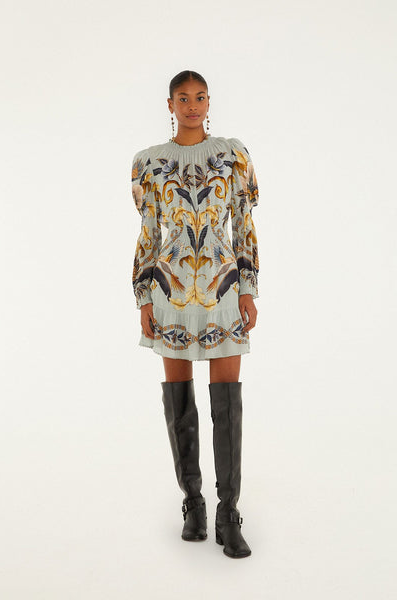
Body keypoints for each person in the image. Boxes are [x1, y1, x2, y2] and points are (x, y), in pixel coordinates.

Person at [131, 70, 259, 558]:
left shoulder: (232, 155)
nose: (192, 105)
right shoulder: (149, 162)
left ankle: (229, 513)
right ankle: (194, 503)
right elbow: (149, 232)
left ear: (209, 102)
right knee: (178, 397)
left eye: (200, 97)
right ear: (170, 104)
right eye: (183, 98)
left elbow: (244, 224)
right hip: (172, 291)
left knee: (228, 399)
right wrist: (144, 297)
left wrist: (248, 289)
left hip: (224, 289)